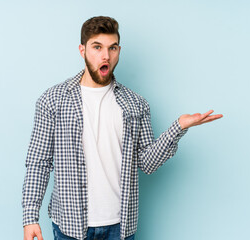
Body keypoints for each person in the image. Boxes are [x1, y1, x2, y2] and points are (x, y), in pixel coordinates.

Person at [22, 16, 223, 240]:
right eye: (97, 47)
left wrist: (178, 128)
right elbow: (38, 162)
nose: (105, 55)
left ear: (119, 50)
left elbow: (147, 163)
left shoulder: (136, 104)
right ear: (82, 50)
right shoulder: (53, 100)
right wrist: (30, 217)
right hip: (69, 225)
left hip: (120, 228)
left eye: (112, 48)